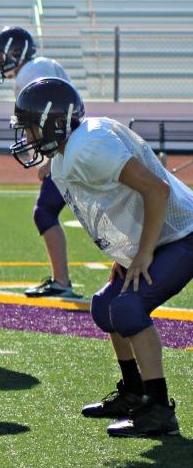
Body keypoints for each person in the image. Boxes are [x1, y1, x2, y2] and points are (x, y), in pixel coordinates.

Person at [10, 77, 191, 437]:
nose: (26, 138)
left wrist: (141, 253)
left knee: (128, 308)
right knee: (104, 306)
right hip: (161, 237)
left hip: (182, 236)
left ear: (53, 123)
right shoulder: (71, 151)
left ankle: (158, 409)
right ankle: (134, 391)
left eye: (30, 128)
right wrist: (126, 253)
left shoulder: (87, 147)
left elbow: (156, 188)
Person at [0, 25, 76, 299]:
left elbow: (51, 112)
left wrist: (53, 158)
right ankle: (62, 280)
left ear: (17, 52)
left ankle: (62, 281)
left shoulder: (31, 72)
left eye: (1, 57)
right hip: (71, 145)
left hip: (67, 149)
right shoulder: (41, 66)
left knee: (45, 212)